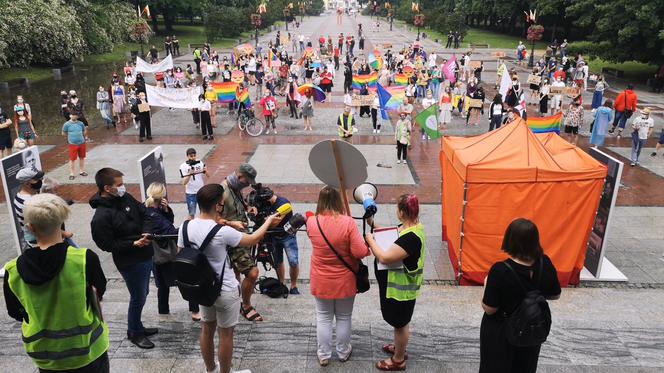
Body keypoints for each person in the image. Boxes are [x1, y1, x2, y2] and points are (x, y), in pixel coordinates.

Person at [4, 193, 110, 373]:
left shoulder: (12, 270)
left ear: (30, 227)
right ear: (61, 223)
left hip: (46, 356)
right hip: (89, 352)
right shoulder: (83, 259)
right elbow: (99, 290)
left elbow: (15, 312)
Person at [179, 184, 279, 373]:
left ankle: (211, 370)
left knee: (206, 330)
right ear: (218, 205)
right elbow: (252, 239)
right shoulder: (222, 232)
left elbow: (181, 253)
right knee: (226, 335)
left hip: (202, 288)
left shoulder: (185, 226)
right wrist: (268, 222)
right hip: (224, 290)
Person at [479, 218, 561, 373]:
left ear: (510, 240)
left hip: (501, 332)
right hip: (531, 328)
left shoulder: (500, 270)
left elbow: (489, 308)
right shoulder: (545, 263)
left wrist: (486, 284)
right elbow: (555, 294)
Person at [90, 167, 157, 349]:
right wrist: (132, 244)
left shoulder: (125, 198)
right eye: (118, 184)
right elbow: (106, 245)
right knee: (138, 297)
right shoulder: (101, 216)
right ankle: (134, 332)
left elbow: (145, 214)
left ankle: (138, 326)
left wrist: (146, 232)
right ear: (107, 188)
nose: (123, 187)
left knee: (143, 293)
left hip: (145, 254)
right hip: (130, 261)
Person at [307, 186, 370, 366]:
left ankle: (324, 354)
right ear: (338, 201)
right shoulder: (348, 222)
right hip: (345, 279)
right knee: (343, 317)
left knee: (323, 317)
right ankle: (343, 352)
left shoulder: (312, 222)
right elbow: (358, 251)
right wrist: (367, 248)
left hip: (321, 279)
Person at [365, 194, 426, 371]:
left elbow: (384, 257)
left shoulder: (411, 238)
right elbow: (393, 235)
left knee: (400, 324)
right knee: (401, 322)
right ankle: (400, 347)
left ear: (401, 212)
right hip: (401, 289)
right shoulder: (413, 227)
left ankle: (398, 359)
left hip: (401, 292)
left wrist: (370, 240)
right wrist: (372, 223)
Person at [144, 182, 201, 321]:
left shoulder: (148, 210)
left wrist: (166, 209)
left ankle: (163, 310)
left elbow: (168, 222)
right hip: (167, 254)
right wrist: (187, 225)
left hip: (156, 255)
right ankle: (194, 310)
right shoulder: (154, 216)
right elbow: (170, 231)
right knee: (187, 278)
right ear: (162, 195)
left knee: (162, 285)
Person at [220, 164, 264, 322]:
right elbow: (213, 219)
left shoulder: (235, 188)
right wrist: (233, 224)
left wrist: (249, 208)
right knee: (253, 273)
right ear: (239, 177)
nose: (247, 185)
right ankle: (246, 305)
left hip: (241, 238)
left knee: (236, 273)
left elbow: (238, 206)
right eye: (247, 181)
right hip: (231, 240)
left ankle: (236, 302)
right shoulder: (222, 192)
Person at [263, 189, 300, 294]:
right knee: (278, 262)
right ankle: (281, 284)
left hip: (288, 235)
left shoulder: (283, 203)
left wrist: (266, 220)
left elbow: (274, 222)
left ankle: (293, 286)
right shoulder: (263, 204)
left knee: (293, 261)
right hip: (273, 236)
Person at [180, 148, 207, 220]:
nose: (193, 157)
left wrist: (205, 171)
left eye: (194, 155)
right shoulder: (183, 166)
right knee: (191, 213)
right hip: (191, 193)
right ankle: (189, 227)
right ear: (187, 156)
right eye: (191, 156)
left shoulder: (200, 163)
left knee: (204, 212)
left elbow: (208, 175)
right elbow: (184, 182)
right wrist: (190, 174)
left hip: (201, 191)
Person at [62, 113, 88, 180]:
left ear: (77, 116)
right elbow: (63, 132)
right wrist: (69, 137)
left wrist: (83, 135)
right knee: (72, 159)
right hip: (72, 144)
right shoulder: (66, 124)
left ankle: (82, 171)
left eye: (75, 115)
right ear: (70, 115)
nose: (74, 116)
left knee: (82, 157)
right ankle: (72, 173)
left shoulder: (81, 123)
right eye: (72, 115)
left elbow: (84, 130)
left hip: (82, 143)